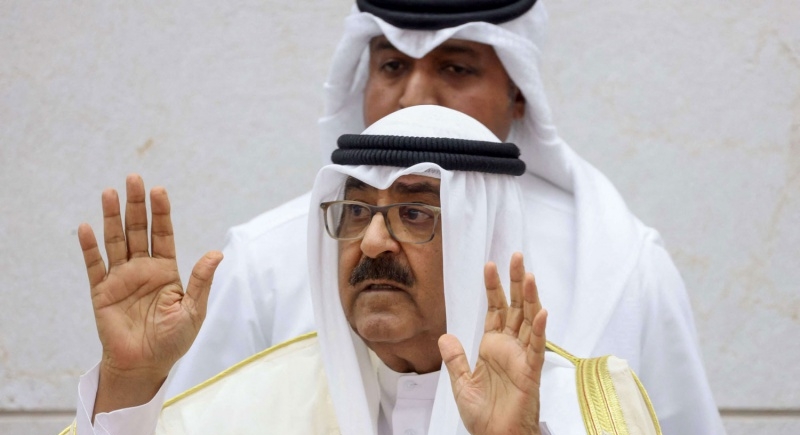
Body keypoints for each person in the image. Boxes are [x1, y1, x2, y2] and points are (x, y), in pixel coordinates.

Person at [167, 1, 725, 434]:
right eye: (392, 65)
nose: (414, 96)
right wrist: (130, 387)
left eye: (455, 67)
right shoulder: (266, 255)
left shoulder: (620, 262)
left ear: (518, 91)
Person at [66, 106, 607, 435]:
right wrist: (130, 381)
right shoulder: (256, 405)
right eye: (355, 211)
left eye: (414, 213)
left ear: (482, 239)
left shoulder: (587, 410)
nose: (371, 242)